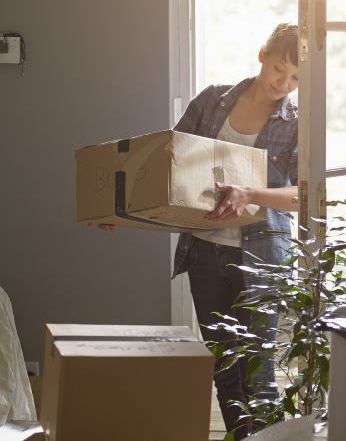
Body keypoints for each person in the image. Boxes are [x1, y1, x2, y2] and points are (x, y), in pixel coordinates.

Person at [100, 22, 299, 439]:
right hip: (204, 253)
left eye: (297, 77)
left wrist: (250, 192)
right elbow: (167, 164)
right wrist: (120, 211)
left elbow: (305, 195)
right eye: (280, 67)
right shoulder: (212, 100)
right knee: (225, 369)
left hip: (262, 257)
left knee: (257, 371)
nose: (285, 82)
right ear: (262, 55)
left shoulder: (297, 122)